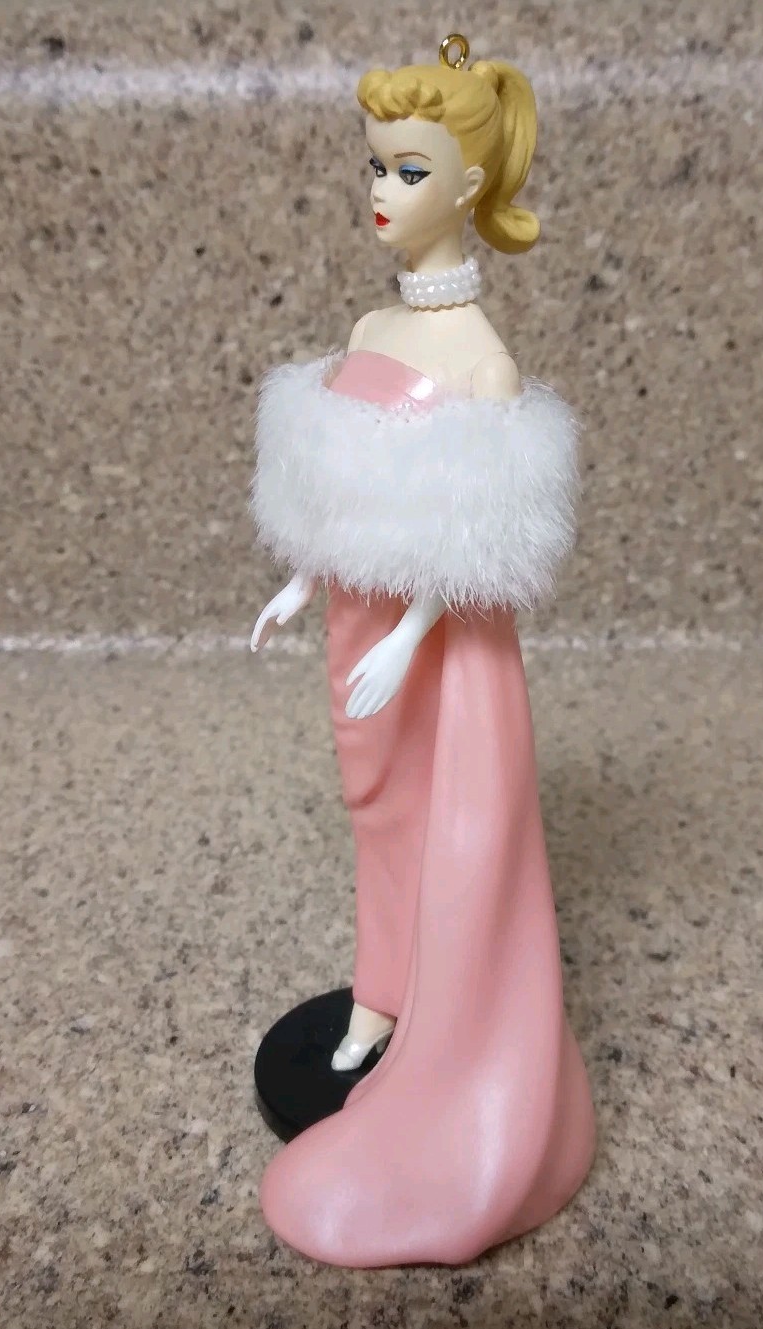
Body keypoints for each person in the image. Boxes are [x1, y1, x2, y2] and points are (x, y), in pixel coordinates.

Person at [247, 34, 595, 1267]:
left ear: (467, 187)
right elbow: (346, 491)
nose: (381, 192)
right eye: (375, 167)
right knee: (376, 815)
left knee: (443, 828)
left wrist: (405, 635)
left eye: (407, 170)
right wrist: (301, 580)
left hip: (438, 654)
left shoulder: (482, 365)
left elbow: (470, 538)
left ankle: (427, 1023)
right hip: (356, 624)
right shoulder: (367, 323)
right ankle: (377, 993)